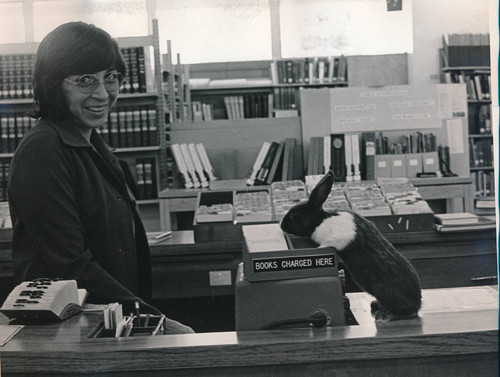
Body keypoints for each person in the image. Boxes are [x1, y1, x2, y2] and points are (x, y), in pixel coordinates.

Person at [8, 22, 193, 334]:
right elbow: (71, 265)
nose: (103, 93)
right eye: (85, 81)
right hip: (66, 330)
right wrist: (155, 320)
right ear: (53, 84)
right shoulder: (42, 151)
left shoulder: (92, 143)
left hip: (105, 317)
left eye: (112, 78)